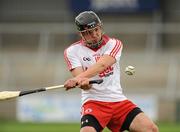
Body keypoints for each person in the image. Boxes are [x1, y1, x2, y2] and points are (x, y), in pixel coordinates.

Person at [64, 11, 158, 132]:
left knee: (151, 129)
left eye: (96, 29)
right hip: (94, 102)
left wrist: (77, 79)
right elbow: (84, 84)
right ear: (81, 34)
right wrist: (83, 83)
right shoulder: (72, 51)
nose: (94, 34)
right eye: (88, 32)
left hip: (118, 101)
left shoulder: (114, 44)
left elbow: (102, 64)